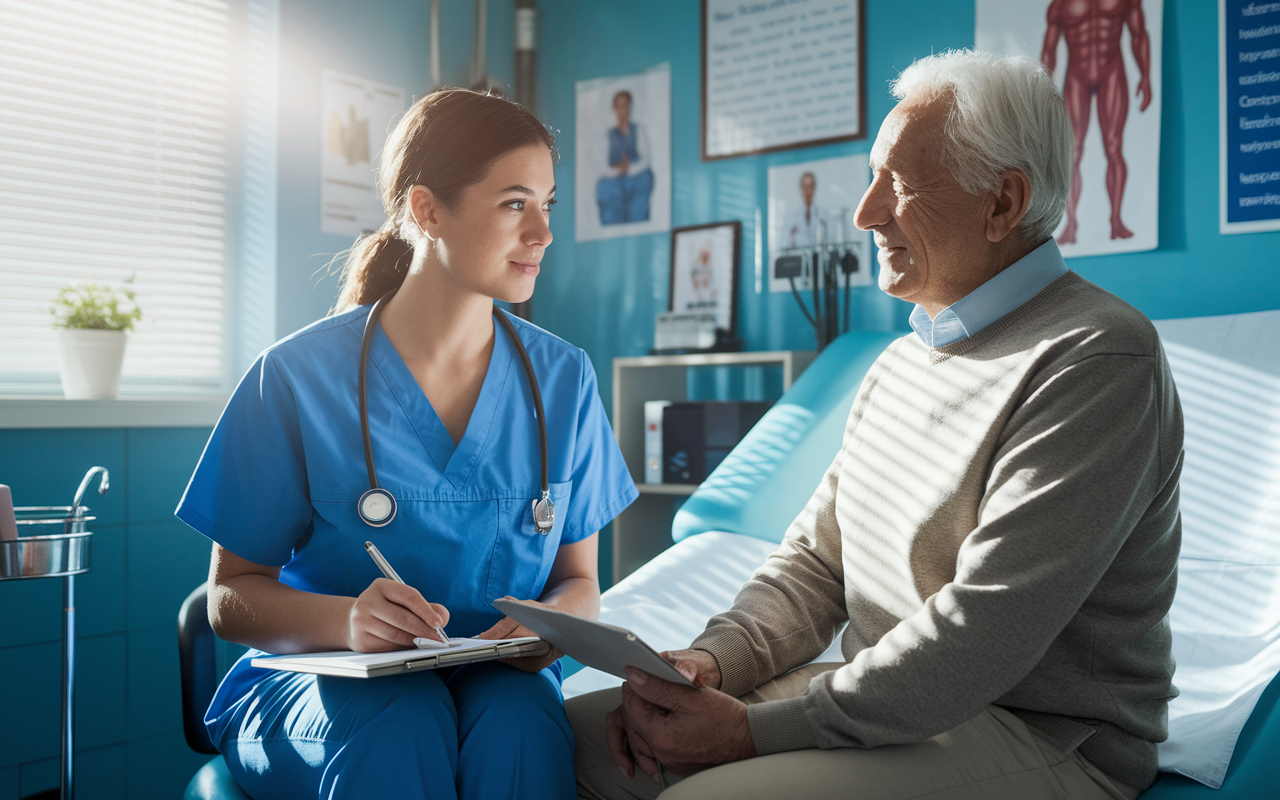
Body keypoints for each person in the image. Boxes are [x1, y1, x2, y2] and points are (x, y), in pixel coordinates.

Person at [568, 49, 1181, 800]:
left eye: (898, 184)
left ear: (1002, 203)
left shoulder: (1096, 358)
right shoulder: (900, 361)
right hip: (883, 707)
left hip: (1038, 731)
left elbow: (982, 632)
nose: (865, 213)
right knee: (564, 741)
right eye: (870, 178)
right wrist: (711, 663)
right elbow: (817, 564)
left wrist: (748, 732)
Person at [175, 88, 638, 800]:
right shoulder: (296, 378)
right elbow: (229, 598)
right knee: (402, 716)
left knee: (520, 724)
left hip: (496, 677)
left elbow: (578, 583)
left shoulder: (564, 379)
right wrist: (347, 619)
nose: (543, 232)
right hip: (319, 685)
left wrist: (545, 629)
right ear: (426, 209)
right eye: (516, 203)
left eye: (549, 203)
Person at [1041, 0, 1152, 243]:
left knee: (1113, 147)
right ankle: (1070, 224)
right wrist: (1042, 93)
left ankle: (1116, 220)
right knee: (1072, 153)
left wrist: (1145, 76)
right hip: (1076, 76)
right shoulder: (1060, 4)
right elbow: (1049, 51)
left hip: (1111, 70)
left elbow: (1138, 34)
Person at [596, 90, 654, 224]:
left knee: (644, 180)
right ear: (615, 109)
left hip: (635, 178)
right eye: (619, 105)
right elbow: (600, 166)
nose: (623, 109)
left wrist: (629, 168)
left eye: (626, 105)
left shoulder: (638, 129)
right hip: (614, 181)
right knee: (606, 189)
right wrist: (618, 170)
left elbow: (646, 160)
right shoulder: (607, 135)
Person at [782, 171, 830, 248]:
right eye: (805, 187)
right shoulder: (792, 218)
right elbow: (785, 245)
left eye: (810, 186)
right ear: (801, 188)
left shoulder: (823, 215)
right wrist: (792, 236)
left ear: (814, 187)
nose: (808, 191)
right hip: (799, 258)